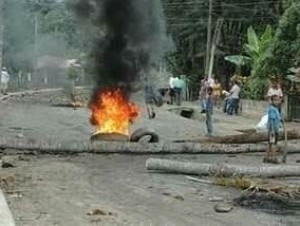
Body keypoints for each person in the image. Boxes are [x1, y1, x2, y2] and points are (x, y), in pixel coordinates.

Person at [264, 95, 282, 164]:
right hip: (273, 130)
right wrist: (272, 131)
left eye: (278, 100)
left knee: (270, 143)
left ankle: (267, 157)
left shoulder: (275, 109)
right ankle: (274, 158)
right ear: (272, 101)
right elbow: (271, 120)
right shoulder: (272, 109)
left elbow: (277, 119)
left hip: (274, 129)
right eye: (275, 100)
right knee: (274, 144)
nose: (277, 101)